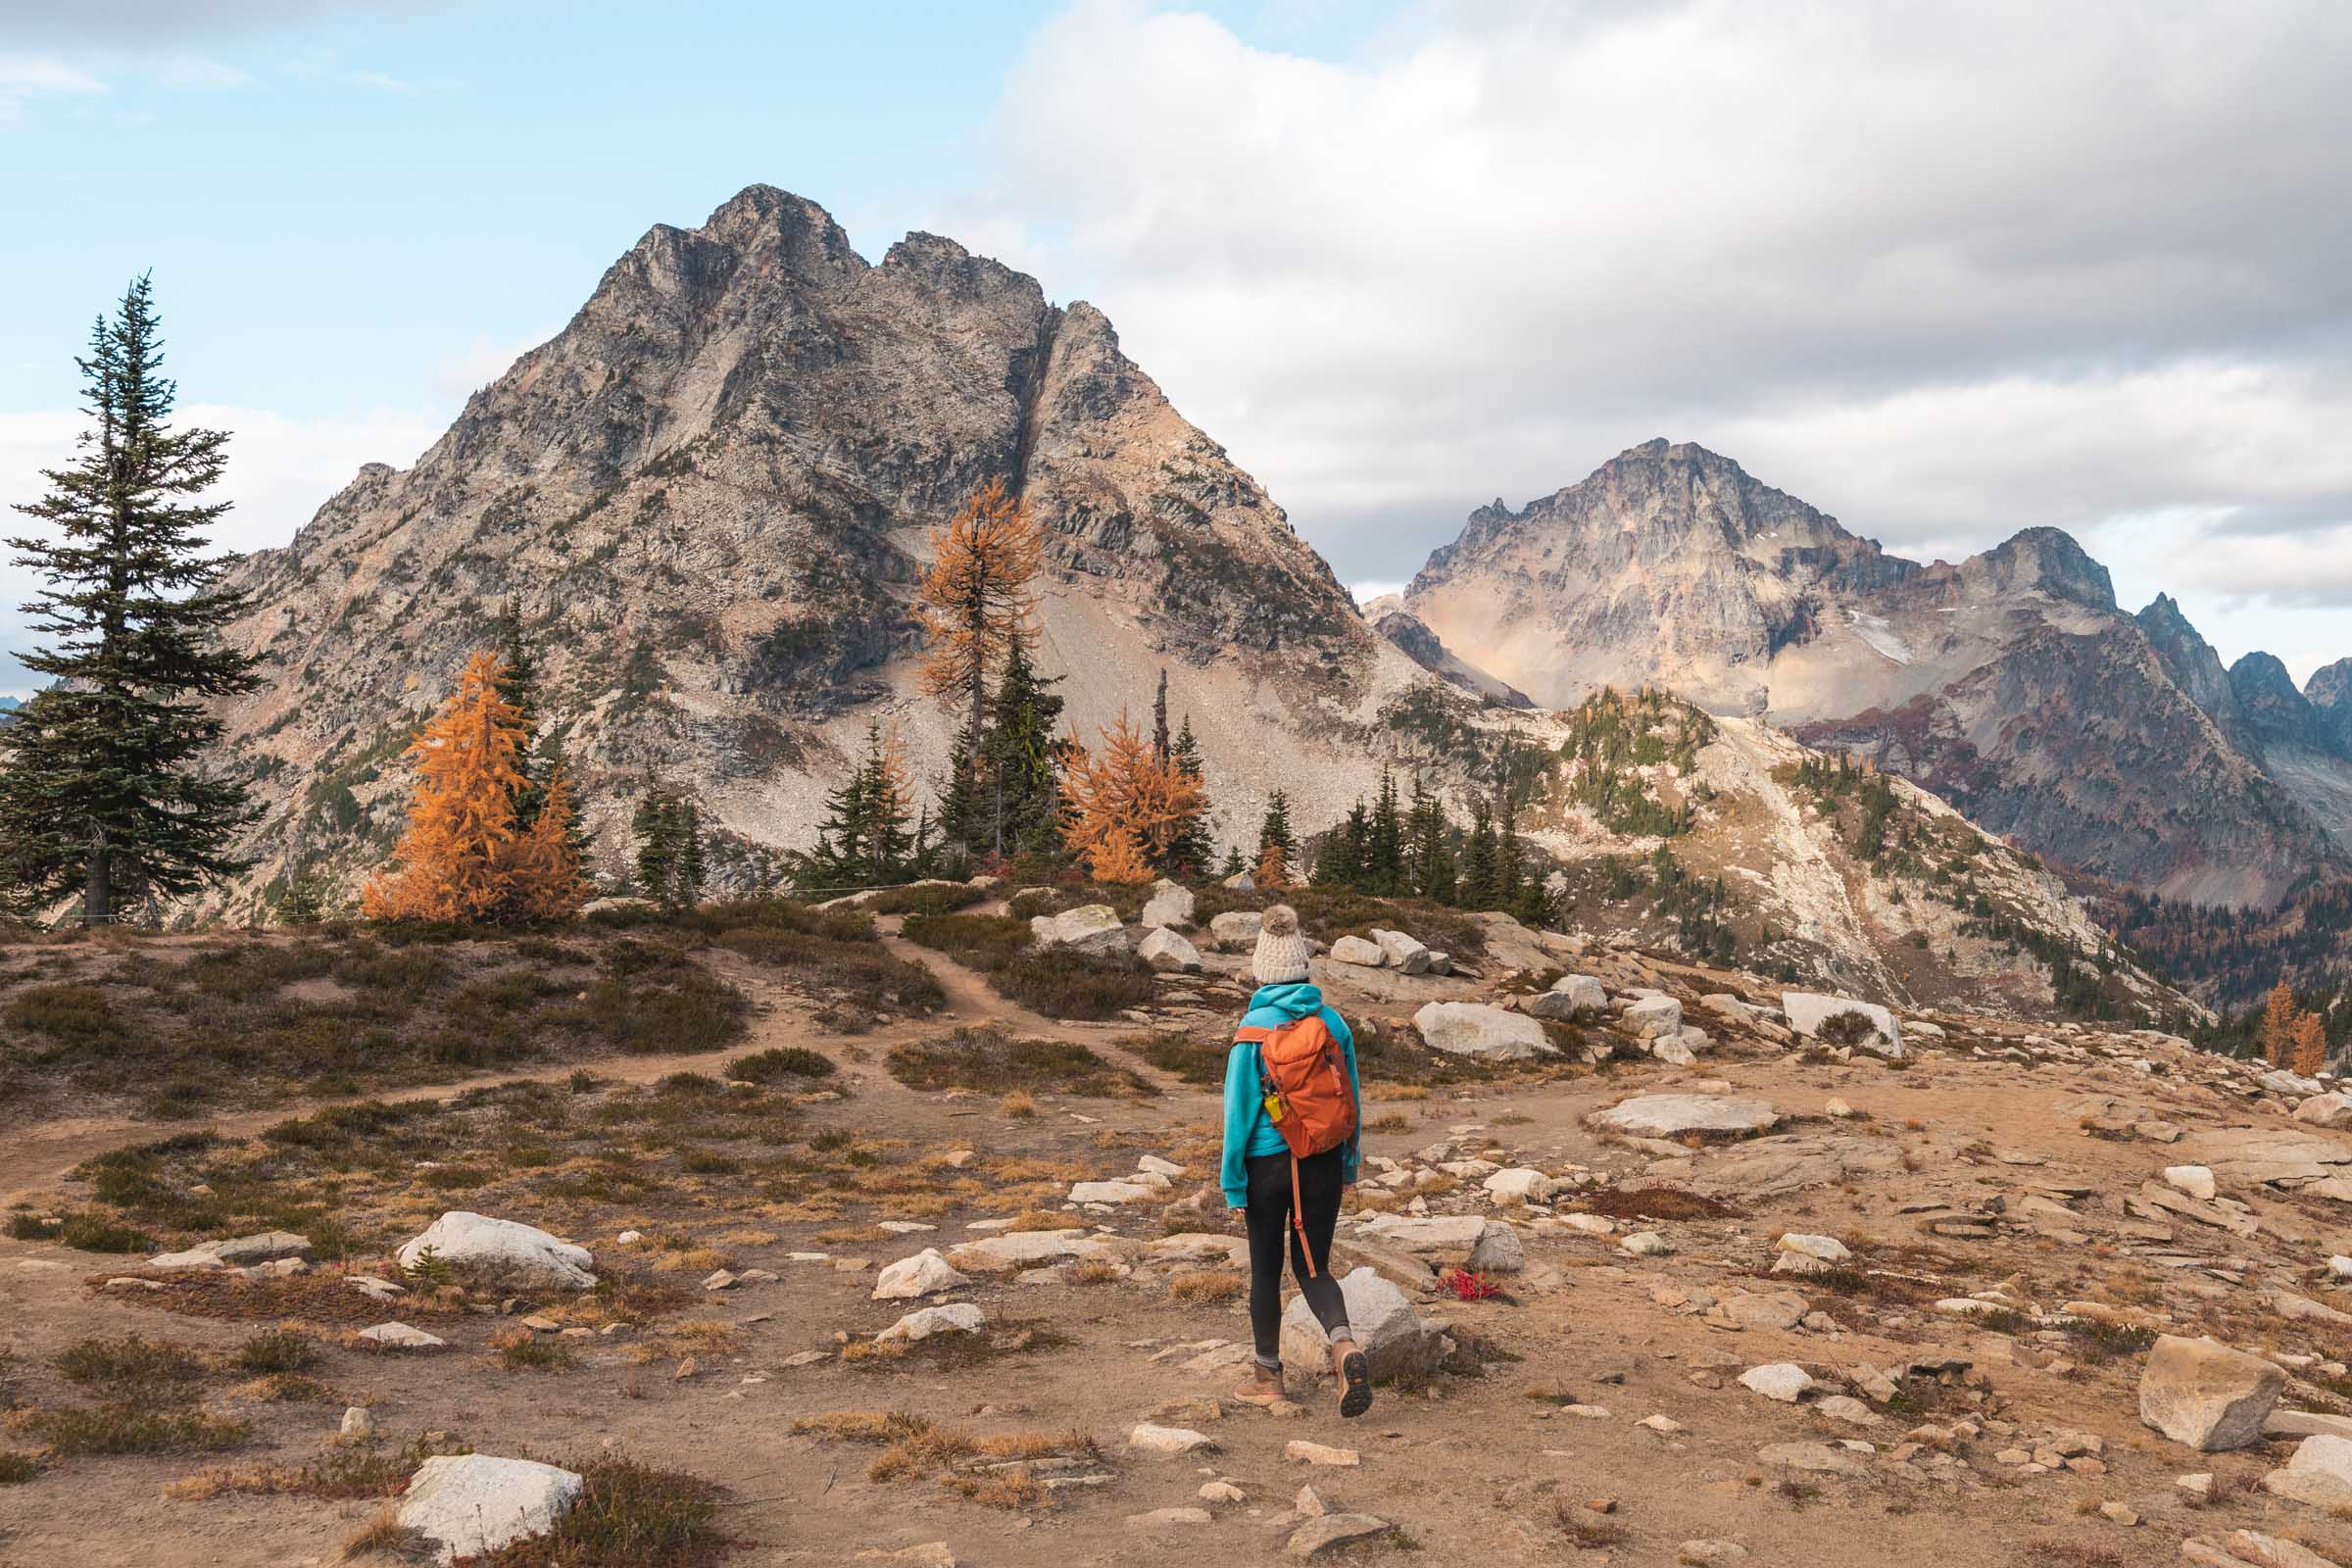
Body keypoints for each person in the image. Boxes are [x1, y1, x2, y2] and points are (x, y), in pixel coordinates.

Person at [1219, 904, 1372, 1418]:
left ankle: (1268, 1377)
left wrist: (1233, 1184)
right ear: (1304, 968)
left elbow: (1238, 1116)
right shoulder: (1332, 1024)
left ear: (1261, 973)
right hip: (1322, 1162)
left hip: (1267, 1167)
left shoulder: (1251, 1031)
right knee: (1313, 1268)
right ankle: (1344, 1346)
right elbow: (1349, 1098)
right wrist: (1348, 1166)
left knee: (1265, 1273)